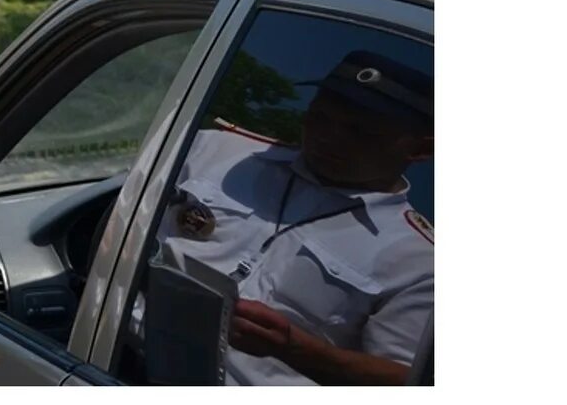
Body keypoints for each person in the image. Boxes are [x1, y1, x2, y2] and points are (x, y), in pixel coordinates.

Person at [151, 50, 434, 386]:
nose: (329, 136)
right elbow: (116, 224)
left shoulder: (421, 262)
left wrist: (296, 349)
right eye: (320, 117)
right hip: (113, 355)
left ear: (420, 150)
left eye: (360, 132)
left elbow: (406, 381)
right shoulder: (214, 150)